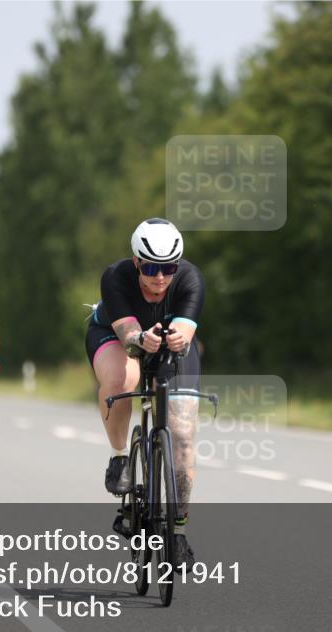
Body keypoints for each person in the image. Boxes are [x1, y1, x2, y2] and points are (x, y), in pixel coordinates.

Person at [85, 218, 205, 566]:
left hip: (169, 343)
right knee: (125, 378)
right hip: (116, 336)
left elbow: (184, 330)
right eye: (151, 267)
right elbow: (127, 332)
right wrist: (140, 340)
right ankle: (120, 455)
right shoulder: (115, 277)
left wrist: (178, 338)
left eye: (168, 267)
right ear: (136, 262)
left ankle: (178, 530)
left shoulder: (191, 279)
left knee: (182, 435)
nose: (160, 277)